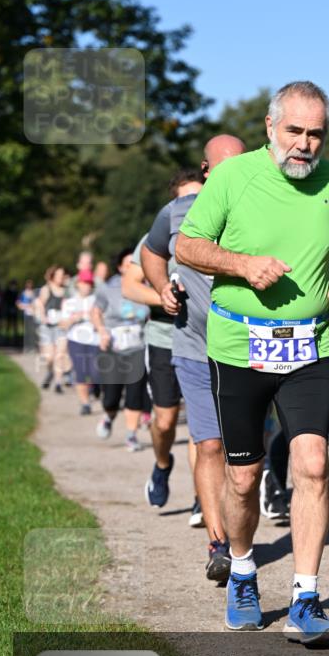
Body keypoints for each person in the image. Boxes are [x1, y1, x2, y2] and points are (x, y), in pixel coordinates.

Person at [176, 81, 329, 644]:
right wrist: (242, 265)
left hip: (307, 345)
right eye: (294, 131)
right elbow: (188, 245)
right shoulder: (234, 176)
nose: (304, 144)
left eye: (315, 134)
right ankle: (245, 570)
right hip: (239, 346)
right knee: (244, 476)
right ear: (270, 127)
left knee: (313, 466)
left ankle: (306, 597)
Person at [142, 136, 246, 581]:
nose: (231, 176)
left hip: (248, 349)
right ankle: (219, 544)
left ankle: (244, 531)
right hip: (192, 347)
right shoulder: (177, 213)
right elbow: (150, 252)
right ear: (206, 171)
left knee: (246, 459)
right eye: (222, 169)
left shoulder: (265, 206)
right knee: (208, 444)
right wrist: (161, 286)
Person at [122, 169, 204, 519]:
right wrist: (162, 296)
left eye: (198, 196)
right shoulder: (156, 236)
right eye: (184, 198)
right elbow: (129, 285)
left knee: (203, 426)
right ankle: (162, 463)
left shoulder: (218, 231)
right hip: (164, 338)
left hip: (203, 338)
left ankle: (205, 497)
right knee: (166, 422)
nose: (191, 204)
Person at [91, 248, 150, 451]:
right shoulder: (109, 287)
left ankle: (131, 435)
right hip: (113, 347)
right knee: (111, 397)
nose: (131, 268)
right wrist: (101, 331)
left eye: (134, 264)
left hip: (138, 346)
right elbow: (96, 311)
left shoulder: (148, 285)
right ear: (119, 267)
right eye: (127, 265)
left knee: (135, 393)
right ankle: (108, 415)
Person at [60, 269, 99, 414]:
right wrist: (73, 318)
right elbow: (63, 324)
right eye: (84, 283)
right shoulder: (69, 302)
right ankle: (85, 404)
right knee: (81, 372)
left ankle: (95, 386)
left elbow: (104, 320)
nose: (86, 286)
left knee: (95, 372)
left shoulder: (97, 300)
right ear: (78, 284)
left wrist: (93, 318)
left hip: (95, 340)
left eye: (89, 283)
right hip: (75, 340)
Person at [35, 266, 68, 392]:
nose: (61, 277)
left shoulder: (66, 291)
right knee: (50, 357)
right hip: (47, 327)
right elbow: (39, 304)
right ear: (53, 276)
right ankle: (50, 372)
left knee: (60, 355)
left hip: (61, 327)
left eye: (62, 275)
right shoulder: (46, 289)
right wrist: (43, 317)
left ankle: (58, 383)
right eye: (58, 275)